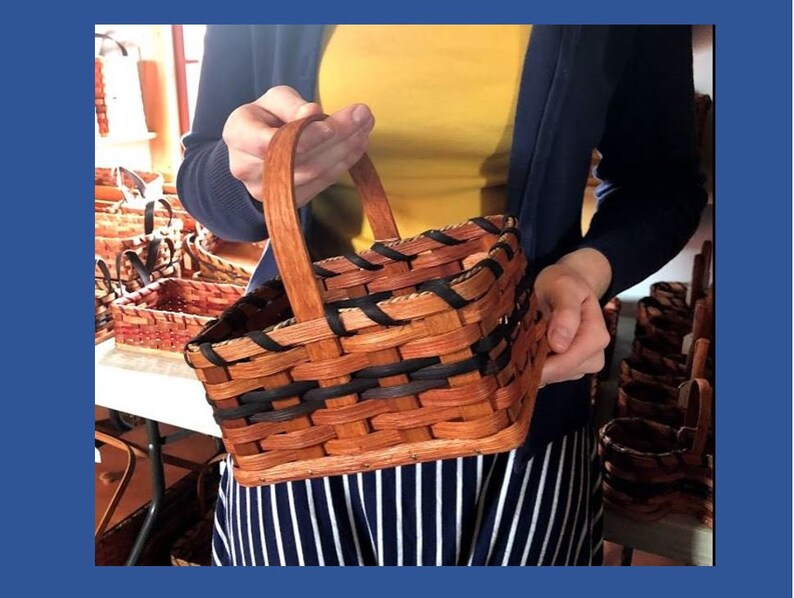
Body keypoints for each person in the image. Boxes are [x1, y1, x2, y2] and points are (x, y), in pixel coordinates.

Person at [177, 24, 707, 566]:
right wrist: (246, 177)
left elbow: (662, 182)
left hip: (516, 388)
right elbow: (204, 183)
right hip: (300, 406)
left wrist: (583, 274)